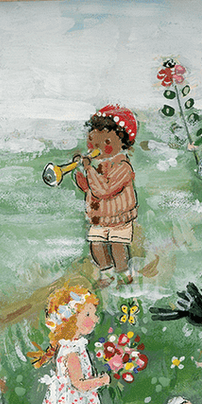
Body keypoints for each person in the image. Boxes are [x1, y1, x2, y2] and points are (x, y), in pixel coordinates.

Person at [75, 105, 139, 286]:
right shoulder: (98, 166)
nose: (97, 147)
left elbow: (104, 190)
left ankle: (124, 275)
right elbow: (89, 188)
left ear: (122, 143)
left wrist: (89, 169)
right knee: (96, 246)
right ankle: (107, 274)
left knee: (118, 248)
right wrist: (79, 172)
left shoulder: (123, 167)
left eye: (106, 142)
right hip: (99, 217)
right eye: (92, 141)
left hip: (118, 217)